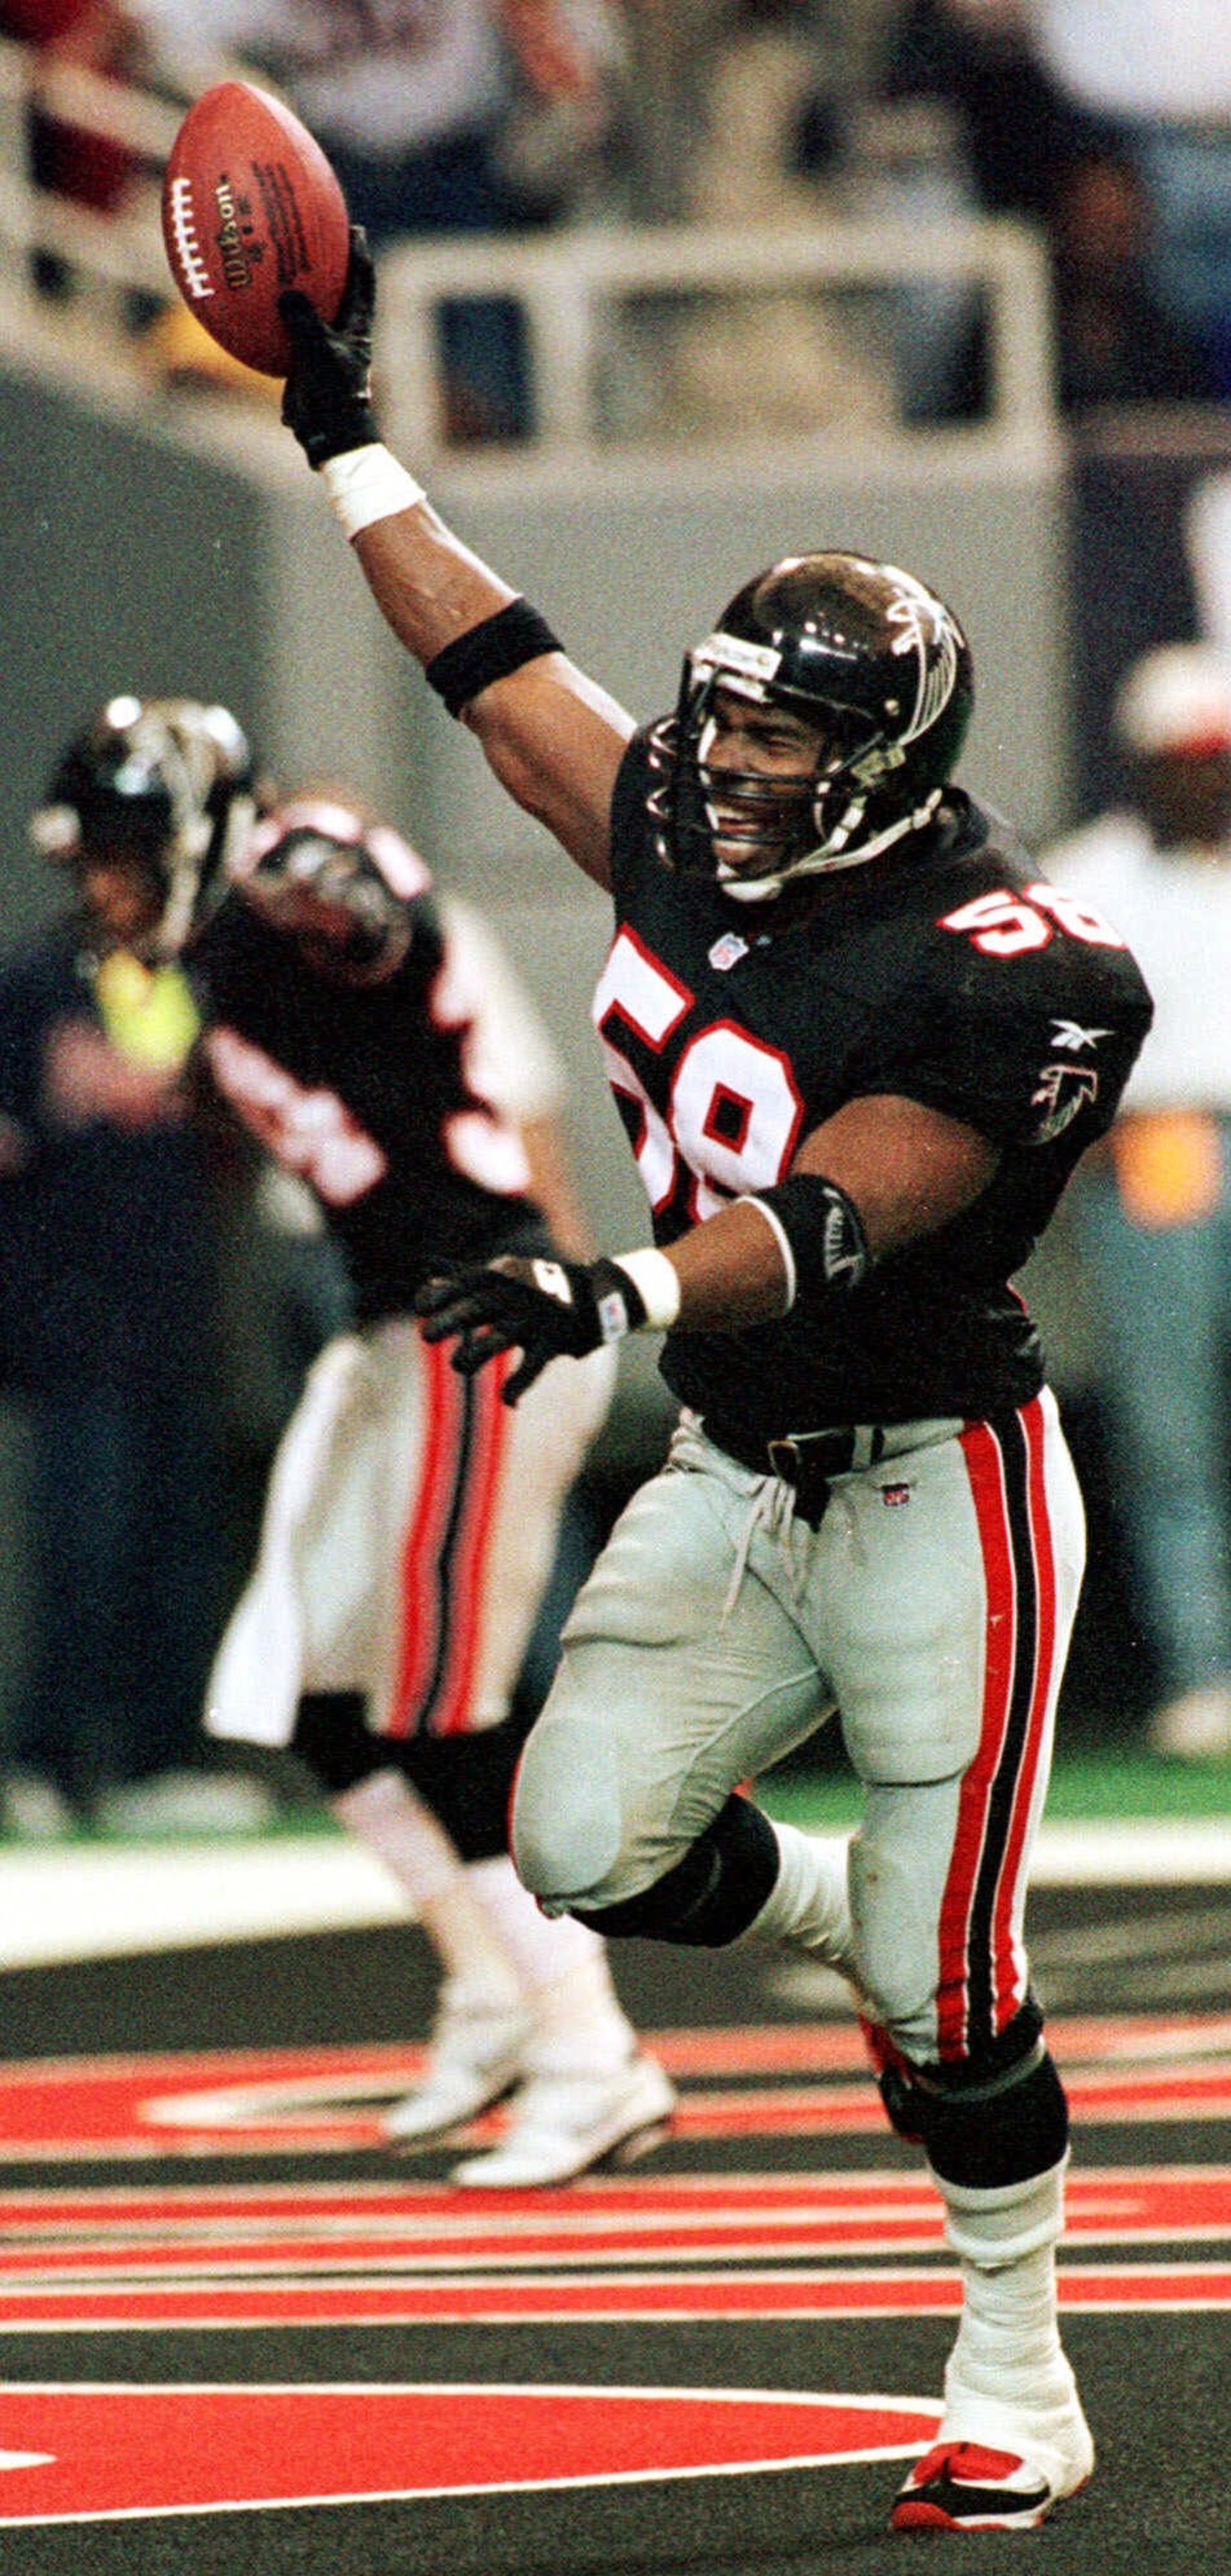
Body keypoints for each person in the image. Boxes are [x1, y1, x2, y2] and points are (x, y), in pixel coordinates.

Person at [265, 229, 1155, 2529]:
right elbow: (492, 663)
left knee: (959, 2009)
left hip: (944, 1480)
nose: (723, 764)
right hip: (746, 1470)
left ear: (885, 760)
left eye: (775, 736)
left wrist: (621, 1296)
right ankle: (858, 1915)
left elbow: (849, 1207)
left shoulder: (1019, 968)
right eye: (725, 719)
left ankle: (1016, 2367)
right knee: (579, 1843)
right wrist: (339, 427)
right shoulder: (678, 808)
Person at [118, 738, 670, 2186]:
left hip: (480, 1317)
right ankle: (496, 1986)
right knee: (322, 1695)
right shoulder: (213, 959)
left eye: (117, 856)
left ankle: (590, 2046)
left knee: (439, 1707)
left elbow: (385, 922)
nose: (104, 893)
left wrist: (297, 863)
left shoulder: (286, 904)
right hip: (390, 1333)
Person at [0, 697, 270, 1835]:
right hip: (69, 1312)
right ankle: (53, 1758)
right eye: (100, 863)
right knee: (84, 1542)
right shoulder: (37, 978)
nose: (113, 887)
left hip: (176, 1304)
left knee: (177, 1532)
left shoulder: (225, 972)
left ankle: (163, 1752)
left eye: (133, 861)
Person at [1042, 644, 1231, 1759]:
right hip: (1159, 1149)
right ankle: (1205, 1667)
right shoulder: (1089, 878)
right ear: (1143, 765)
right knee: (1172, 1428)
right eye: (1183, 760)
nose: (1203, 781)